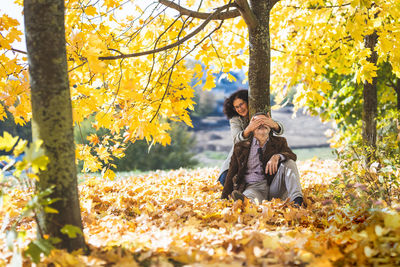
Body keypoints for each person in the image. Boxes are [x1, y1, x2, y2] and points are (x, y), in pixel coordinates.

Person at [221, 113, 304, 207]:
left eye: (265, 122)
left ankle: (297, 201)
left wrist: (277, 156)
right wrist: (224, 198)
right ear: (251, 128)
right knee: (249, 199)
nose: (261, 124)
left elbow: (292, 155)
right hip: (253, 187)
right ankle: (246, 202)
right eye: (257, 122)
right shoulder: (241, 147)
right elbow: (231, 172)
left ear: (270, 125)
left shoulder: (279, 142)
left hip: (275, 185)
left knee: (290, 162)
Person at [218, 89, 284, 185]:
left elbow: (280, 130)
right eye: (236, 107)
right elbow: (236, 140)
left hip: (258, 160)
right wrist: (249, 129)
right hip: (238, 159)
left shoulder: (259, 113)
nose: (240, 109)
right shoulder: (235, 120)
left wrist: (274, 124)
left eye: (241, 104)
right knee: (225, 180)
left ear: (248, 102)